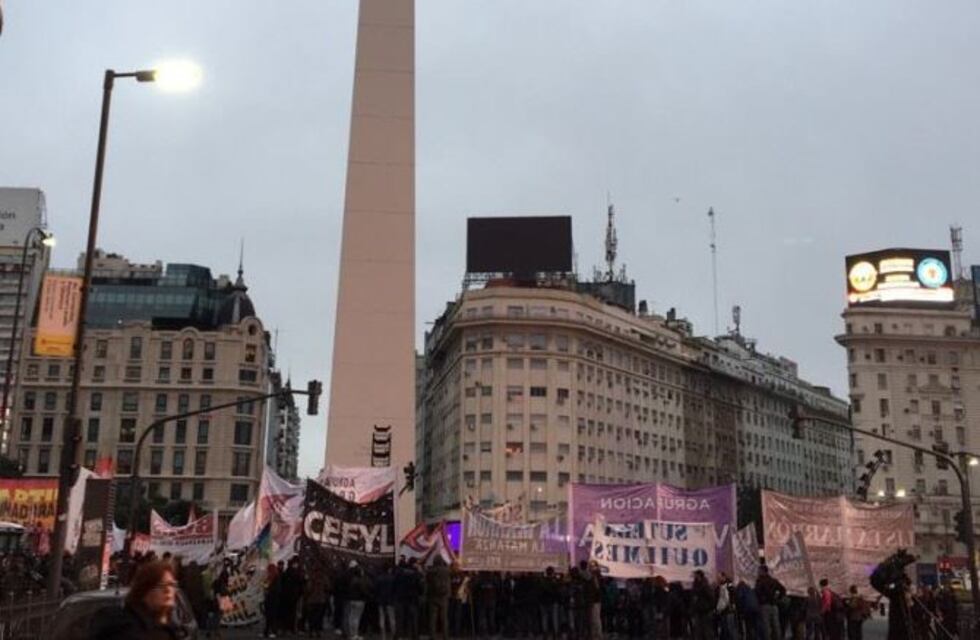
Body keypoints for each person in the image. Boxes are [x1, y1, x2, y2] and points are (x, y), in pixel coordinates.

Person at [89, 560, 190, 639]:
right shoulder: (127, 629)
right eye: (160, 585)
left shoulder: (169, 628)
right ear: (144, 590)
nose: (168, 590)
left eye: (172, 585)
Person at [394, 558, 423, 640]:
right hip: (412, 599)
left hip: (400, 599)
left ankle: (398, 636)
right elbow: (420, 587)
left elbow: (394, 584)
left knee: (400, 620)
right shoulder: (416, 573)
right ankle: (414, 637)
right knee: (413, 620)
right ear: (414, 564)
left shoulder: (399, 572)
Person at [755, 565, 786, 640]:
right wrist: (778, 598)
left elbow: (757, 592)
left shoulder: (760, 581)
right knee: (776, 625)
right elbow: (783, 590)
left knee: (766, 627)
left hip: (764, 606)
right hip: (774, 605)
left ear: (762, 571)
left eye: (759, 571)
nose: (758, 572)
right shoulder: (773, 580)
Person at [427, 556, 452, 640]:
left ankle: (432, 636)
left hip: (433, 596)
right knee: (444, 618)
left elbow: (427, 581)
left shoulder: (430, 571)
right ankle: (445, 636)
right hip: (444, 596)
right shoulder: (447, 571)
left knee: (433, 619)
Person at [347, 562, 373, 640]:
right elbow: (363, 591)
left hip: (352, 600)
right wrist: (369, 596)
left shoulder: (353, 580)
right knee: (356, 618)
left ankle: (352, 634)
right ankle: (355, 634)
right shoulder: (360, 581)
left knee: (351, 617)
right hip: (359, 600)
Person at [689, 570, 717, 640]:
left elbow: (711, 597)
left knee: (706, 630)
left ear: (699, 575)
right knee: (699, 630)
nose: (694, 577)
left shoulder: (705, 585)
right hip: (698, 610)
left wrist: (709, 607)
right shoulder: (696, 585)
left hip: (705, 611)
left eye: (696, 575)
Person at [376, 565, 397, 640]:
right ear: (389, 569)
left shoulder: (379, 578)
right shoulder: (393, 578)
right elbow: (395, 590)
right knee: (392, 619)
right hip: (390, 601)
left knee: (382, 619)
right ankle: (393, 635)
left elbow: (376, 590)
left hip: (381, 601)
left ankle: (383, 636)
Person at [716, 573, 738, 640]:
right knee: (725, 628)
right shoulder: (720, 587)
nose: (718, 579)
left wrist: (732, 603)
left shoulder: (728, 586)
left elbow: (732, 595)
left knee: (730, 628)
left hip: (728, 609)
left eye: (719, 577)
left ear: (724, 577)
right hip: (723, 610)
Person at [264, 562, 282, 638]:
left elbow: (276, 589)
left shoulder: (275, 577)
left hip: (273, 598)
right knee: (269, 616)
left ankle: (273, 631)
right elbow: (265, 585)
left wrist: (268, 589)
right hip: (269, 598)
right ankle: (267, 631)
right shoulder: (269, 577)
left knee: (272, 616)